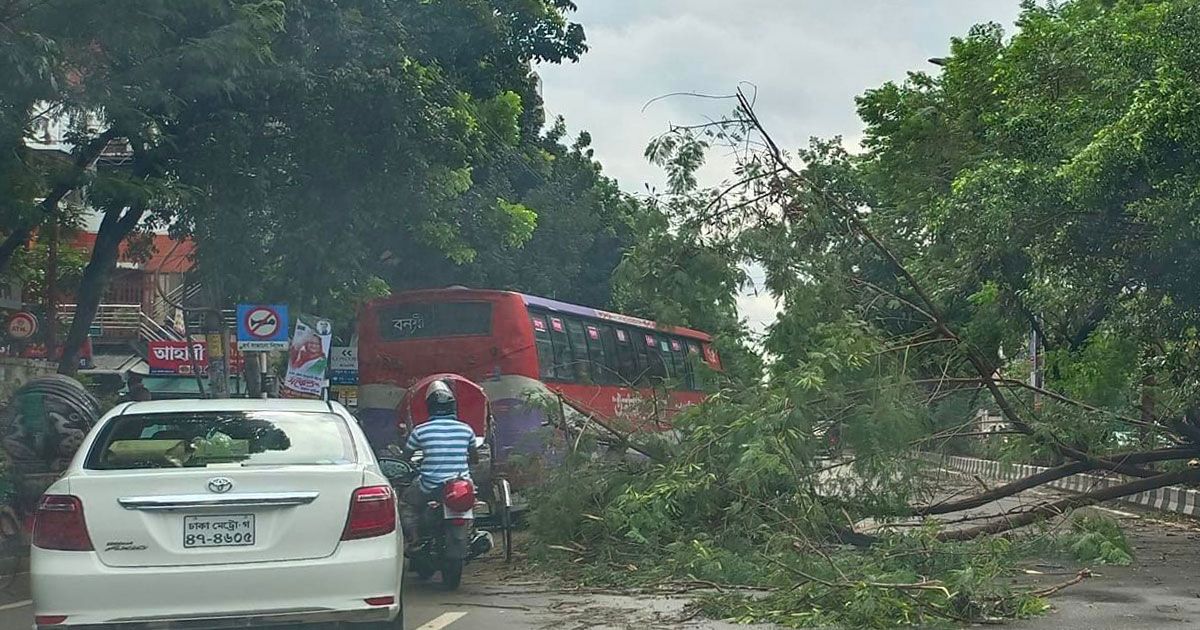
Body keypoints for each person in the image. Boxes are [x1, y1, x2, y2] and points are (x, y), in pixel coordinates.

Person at [398, 380, 478, 548]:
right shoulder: (466, 429)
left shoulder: (420, 431)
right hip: (462, 486)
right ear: (453, 406)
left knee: (406, 504)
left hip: (429, 486)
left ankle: (414, 538)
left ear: (429, 407)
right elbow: (474, 459)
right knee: (473, 499)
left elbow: (405, 458)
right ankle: (472, 531)